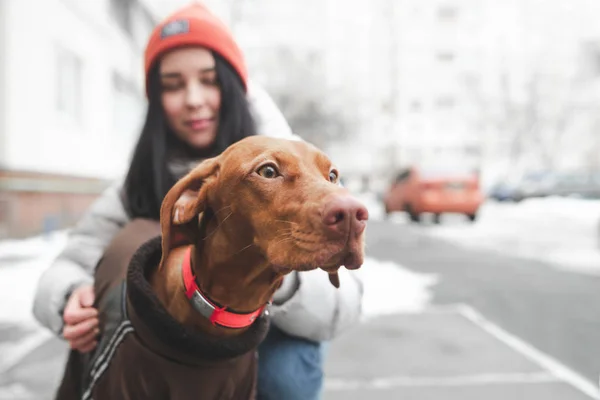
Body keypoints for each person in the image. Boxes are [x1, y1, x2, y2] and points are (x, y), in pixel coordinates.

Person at [32, 3, 364, 400]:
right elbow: (71, 261)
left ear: (234, 86)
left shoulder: (303, 162)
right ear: (156, 101)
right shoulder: (142, 182)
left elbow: (343, 309)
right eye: (173, 85)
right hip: (176, 335)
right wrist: (68, 295)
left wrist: (277, 275)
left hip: (267, 330)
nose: (193, 99)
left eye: (209, 80)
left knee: (285, 374)